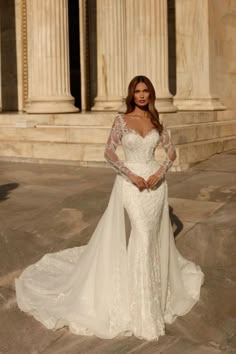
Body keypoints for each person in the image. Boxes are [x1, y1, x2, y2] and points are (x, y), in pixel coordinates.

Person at [15, 75, 204, 341]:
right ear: (131, 94)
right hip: (131, 185)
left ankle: (149, 293)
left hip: (155, 187)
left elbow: (171, 153)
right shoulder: (121, 121)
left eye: (145, 91)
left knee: (148, 239)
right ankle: (141, 308)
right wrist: (130, 175)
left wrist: (160, 172)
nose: (141, 95)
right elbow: (109, 153)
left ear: (150, 94)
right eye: (137, 91)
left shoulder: (157, 122)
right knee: (141, 234)